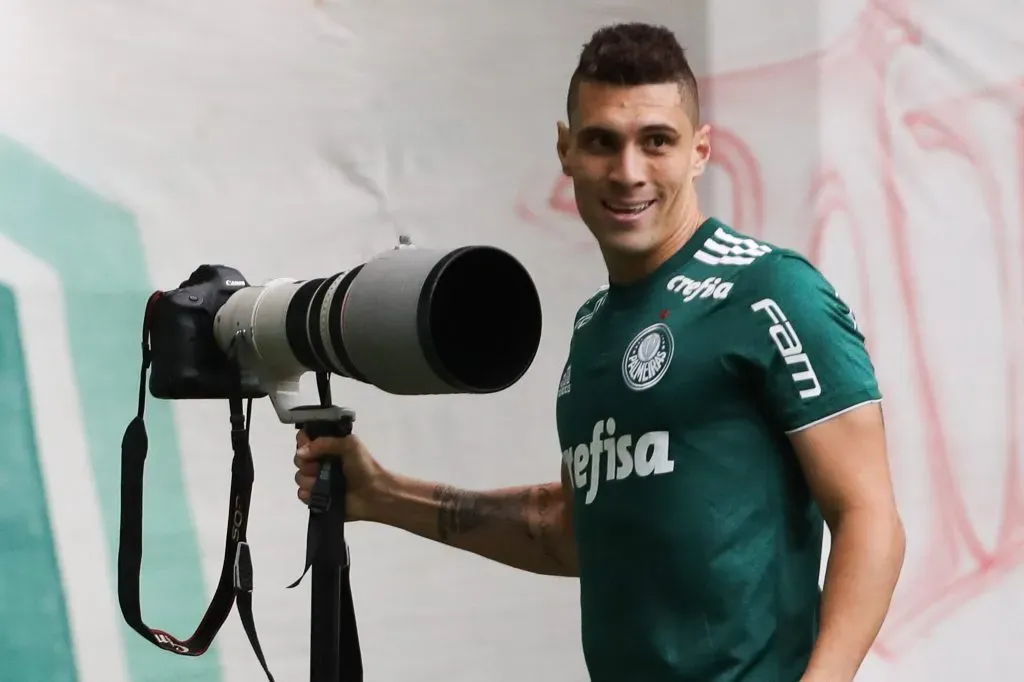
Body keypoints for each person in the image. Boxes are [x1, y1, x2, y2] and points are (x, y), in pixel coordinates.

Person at [293, 21, 906, 682]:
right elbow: (566, 529)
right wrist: (383, 496)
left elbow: (870, 517)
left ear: (700, 150)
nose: (628, 172)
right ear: (567, 150)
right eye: (602, 143)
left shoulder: (770, 290)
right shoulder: (594, 327)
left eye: (657, 142)